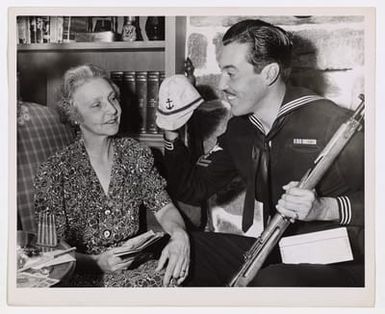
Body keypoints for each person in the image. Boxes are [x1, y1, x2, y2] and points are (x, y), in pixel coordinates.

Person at [162, 19, 364, 287]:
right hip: (280, 250)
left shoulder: (332, 123)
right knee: (177, 252)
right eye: (222, 71)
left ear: (269, 74)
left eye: (231, 73)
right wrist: (171, 133)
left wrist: (325, 208)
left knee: (271, 281)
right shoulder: (241, 130)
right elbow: (193, 188)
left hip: (345, 260)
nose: (221, 84)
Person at [33, 64, 190, 287]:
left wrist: (179, 235)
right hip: (83, 278)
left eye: (113, 98)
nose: (113, 109)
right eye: (97, 105)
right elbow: (49, 247)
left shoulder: (136, 153)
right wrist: (95, 263)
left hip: (140, 269)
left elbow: (164, 207)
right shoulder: (53, 171)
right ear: (75, 115)